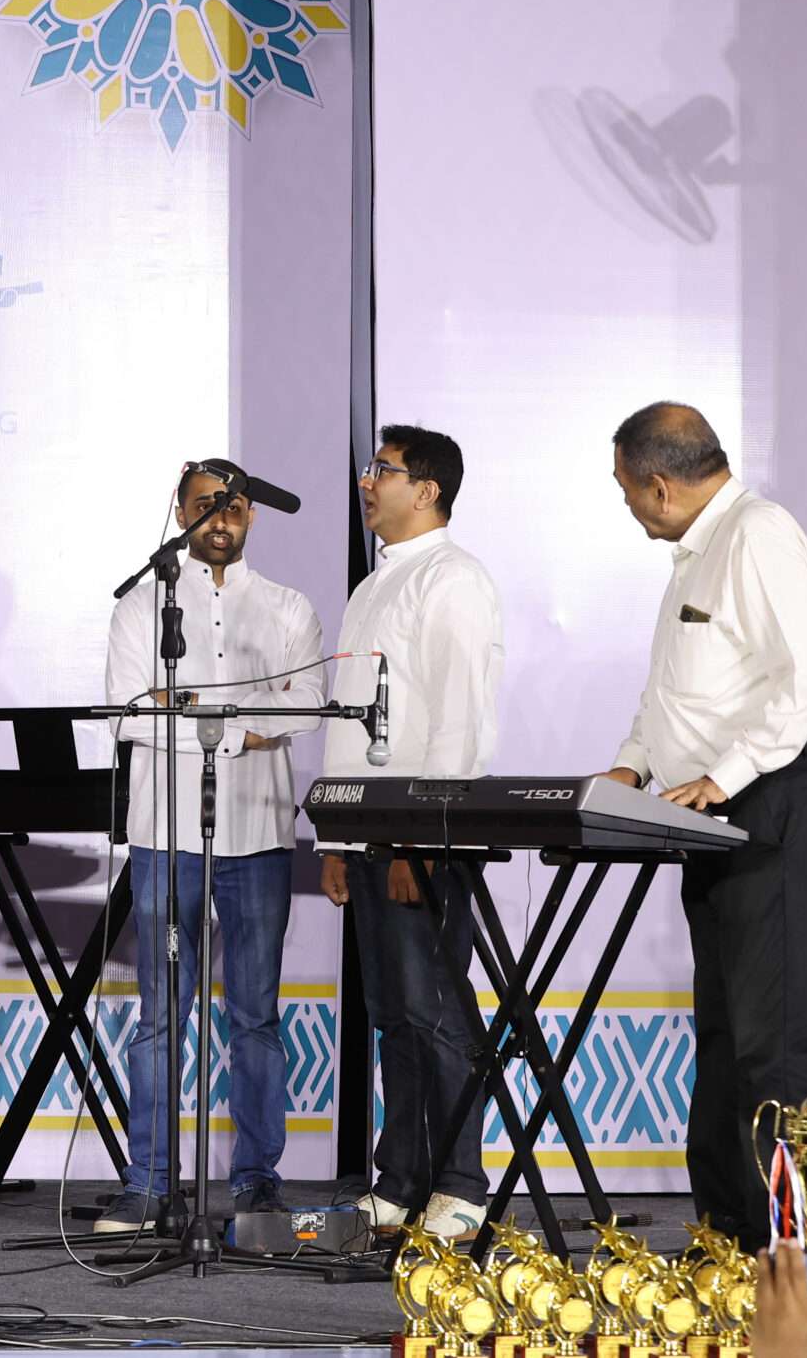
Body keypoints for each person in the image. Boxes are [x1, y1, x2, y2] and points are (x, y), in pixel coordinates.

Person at [601, 403, 807, 1252]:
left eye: (626, 489)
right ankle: (727, 1235)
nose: (627, 505)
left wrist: (725, 775)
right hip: (709, 815)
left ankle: (788, 1256)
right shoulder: (694, 554)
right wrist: (631, 765)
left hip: (773, 802)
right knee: (723, 1032)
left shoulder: (757, 535)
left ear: (659, 484)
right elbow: (673, 694)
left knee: (768, 1044)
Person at [93, 463, 325, 1233]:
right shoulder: (142, 604)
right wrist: (240, 725)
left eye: (232, 507)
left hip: (259, 832)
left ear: (251, 514)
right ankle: (150, 1183)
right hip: (165, 833)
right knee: (161, 1017)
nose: (219, 519)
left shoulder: (289, 607)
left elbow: (306, 707)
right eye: (205, 506)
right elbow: (129, 712)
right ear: (180, 512)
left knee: (255, 1018)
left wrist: (190, 710)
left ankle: (256, 1183)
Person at [317, 427, 504, 1242]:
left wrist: (425, 840)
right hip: (364, 831)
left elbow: (459, 717)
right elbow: (349, 720)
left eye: (382, 470)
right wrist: (334, 837)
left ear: (426, 490)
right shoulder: (372, 585)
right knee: (393, 1013)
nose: (368, 482)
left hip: (421, 836)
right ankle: (400, 1181)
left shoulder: (453, 578)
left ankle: (461, 1184)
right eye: (370, 469)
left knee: (436, 1012)